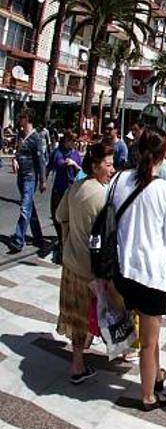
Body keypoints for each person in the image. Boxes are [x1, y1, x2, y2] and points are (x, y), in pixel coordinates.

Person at [112, 128, 166, 411]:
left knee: (150, 335)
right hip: (151, 275)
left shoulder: (119, 180)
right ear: (163, 154)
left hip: (122, 272)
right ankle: (147, 396)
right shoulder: (165, 192)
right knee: (148, 340)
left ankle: (156, 375)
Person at [55, 141, 119, 384]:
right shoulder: (103, 196)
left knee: (76, 315)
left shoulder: (76, 187)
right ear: (95, 166)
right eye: (108, 165)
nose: (112, 170)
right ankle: (78, 365)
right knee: (92, 314)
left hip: (71, 262)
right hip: (90, 270)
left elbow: (61, 216)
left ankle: (79, 357)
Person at [8, 108, 47, 254]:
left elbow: (41, 160)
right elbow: (17, 151)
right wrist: (14, 159)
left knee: (24, 208)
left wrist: (43, 180)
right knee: (29, 206)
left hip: (30, 177)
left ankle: (18, 240)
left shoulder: (36, 137)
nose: (20, 120)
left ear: (28, 119)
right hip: (21, 176)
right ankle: (38, 237)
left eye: (22, 117)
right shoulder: (20, 135)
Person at [48, 131, 82, 263]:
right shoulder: (58, 152)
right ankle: (61, 241)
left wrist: (74, 164)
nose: (74, 143)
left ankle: (65, 245)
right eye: (72, 141)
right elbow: (52, 164)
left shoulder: (75, 154)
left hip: (71, 189)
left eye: (75, 141)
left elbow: (81, 170)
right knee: (57, 216)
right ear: (66, 140)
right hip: (59, 188)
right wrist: (43, 180)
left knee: (69, 219)